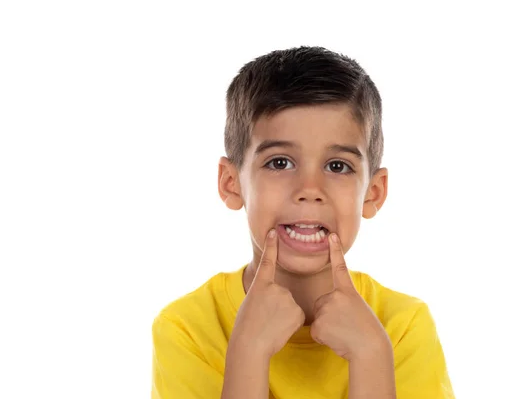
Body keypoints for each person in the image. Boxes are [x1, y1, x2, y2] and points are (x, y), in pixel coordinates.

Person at [151, 46, 455, 399]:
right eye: (280, 163)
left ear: (373, 193)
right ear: (230, 183)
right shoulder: (185, 327)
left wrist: (370, 357)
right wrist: (248, 353)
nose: (310, 190)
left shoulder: (402, 327)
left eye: (337, 166)